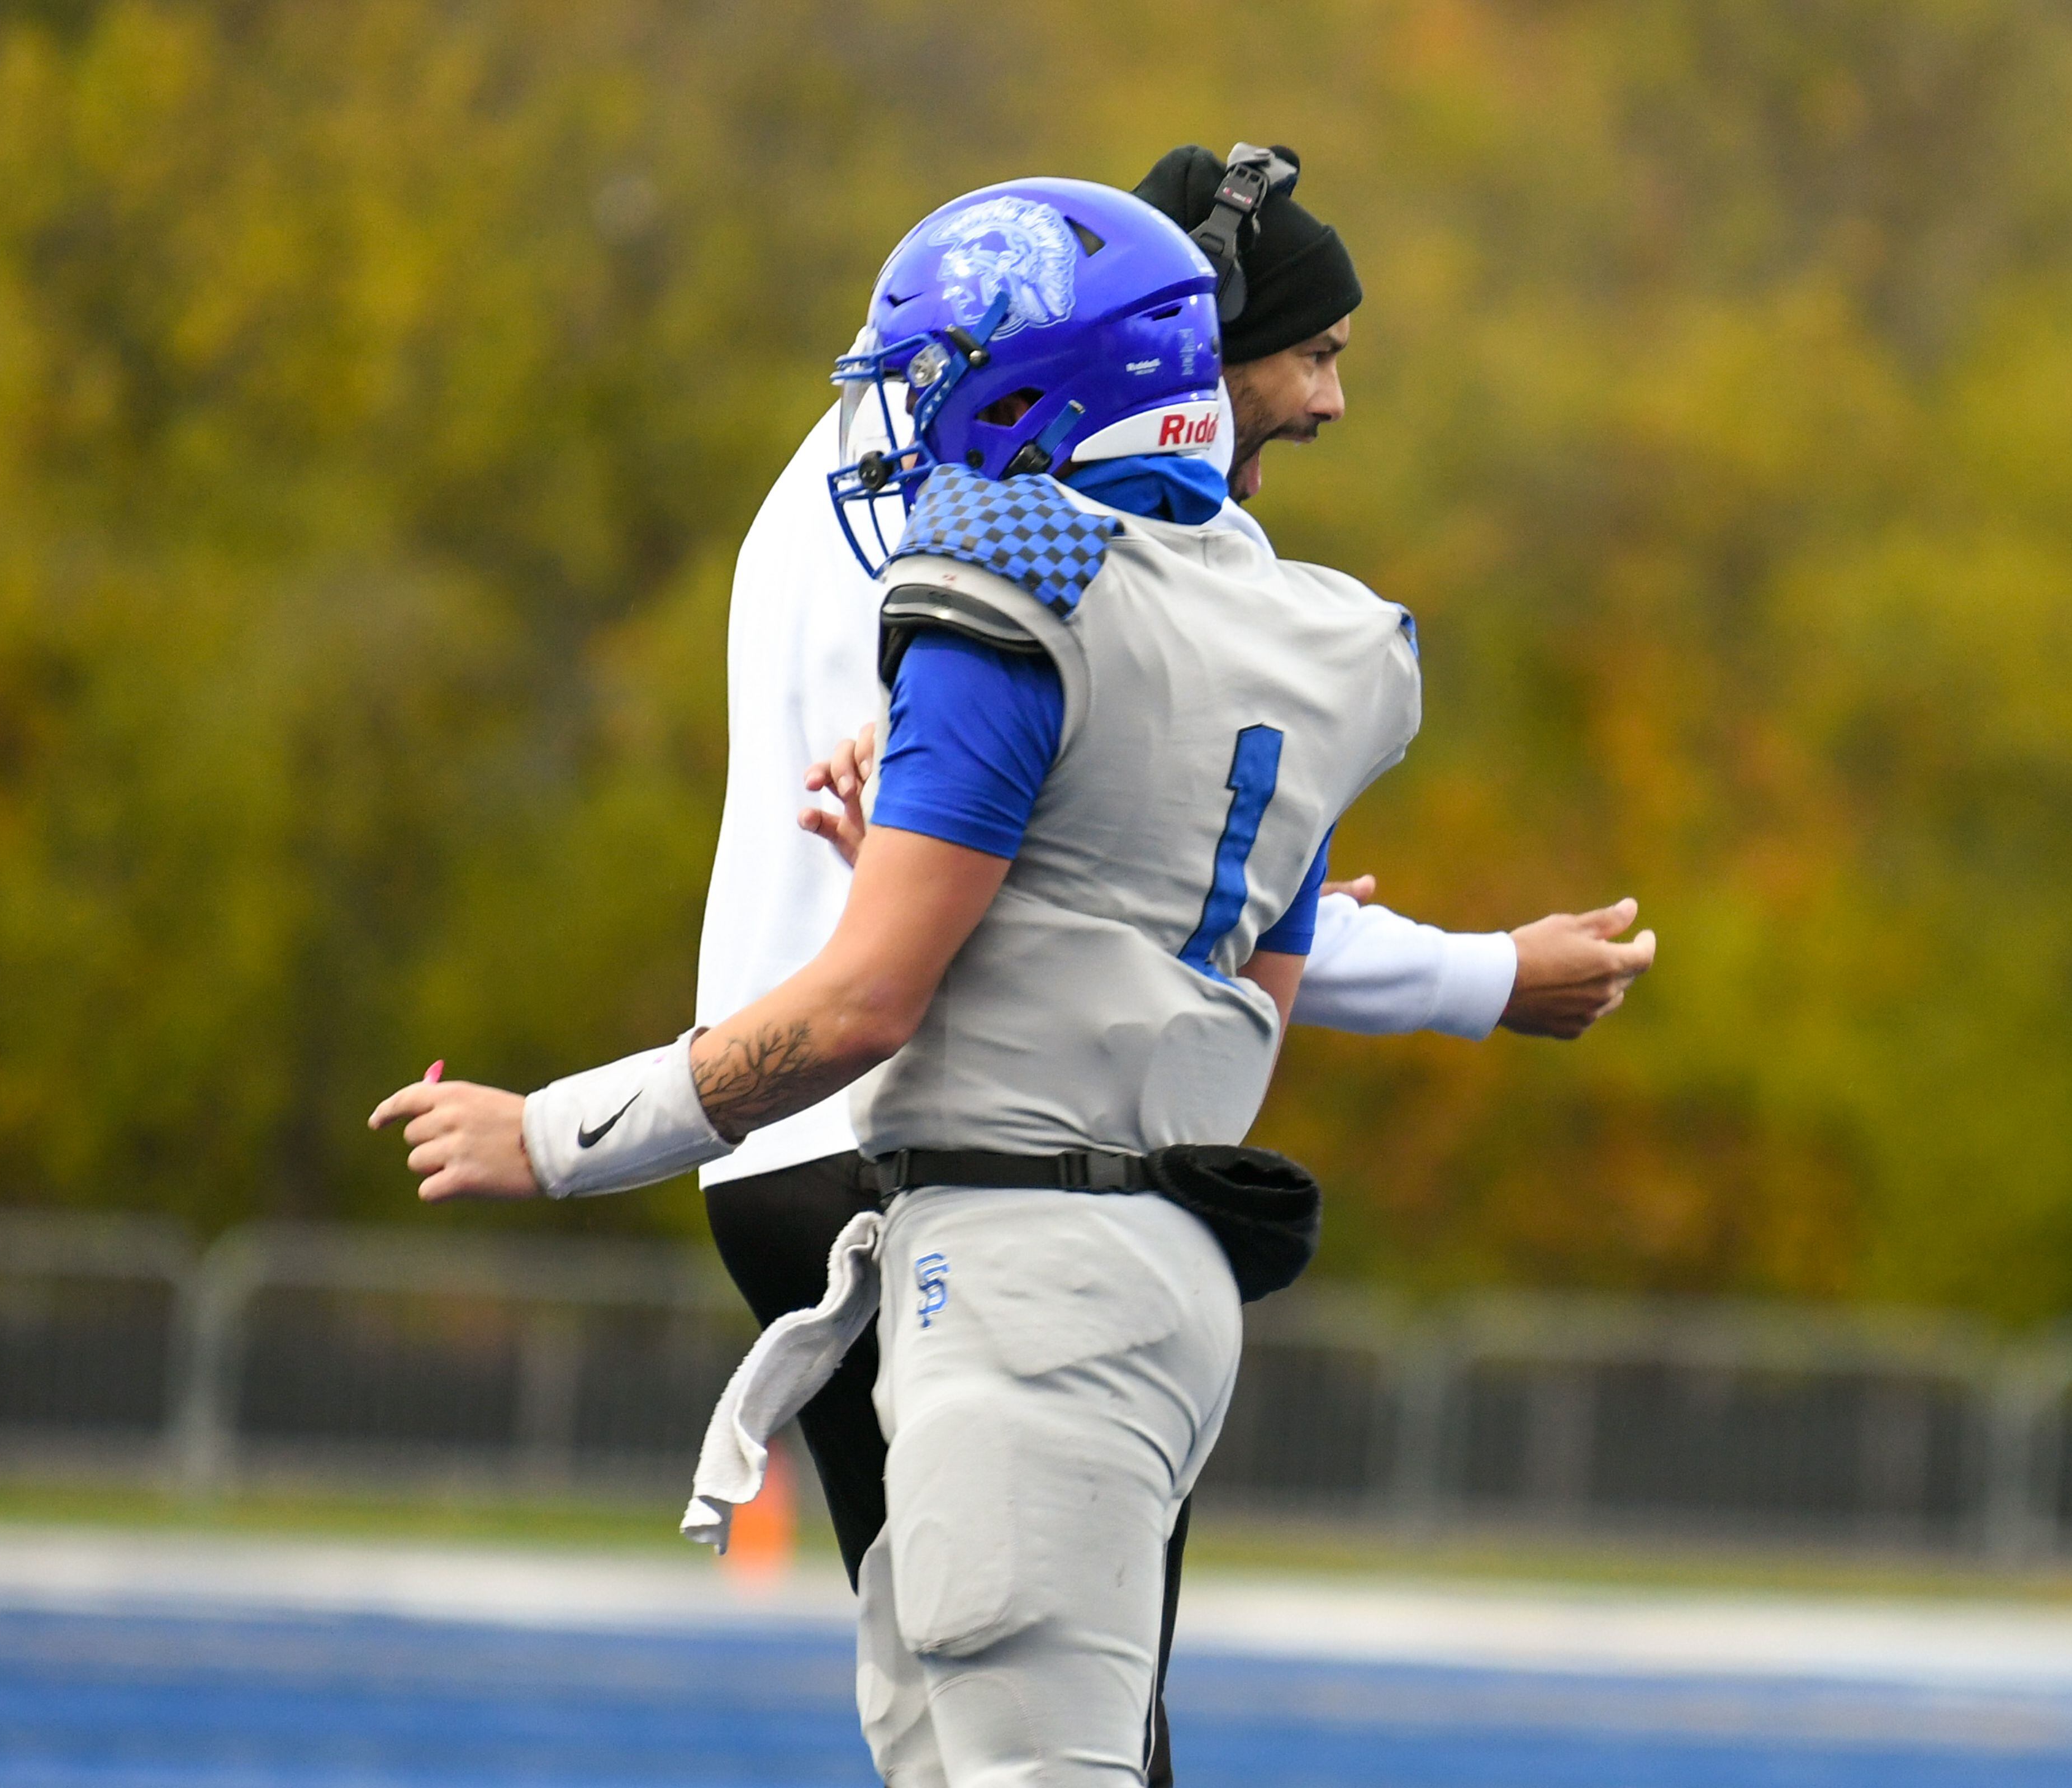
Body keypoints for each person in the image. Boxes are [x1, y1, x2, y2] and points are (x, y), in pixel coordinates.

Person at [372, 173, 1440, 1784]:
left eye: (935, 376)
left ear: (1039, 385)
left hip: (1020, 1280)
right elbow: (1252, 986)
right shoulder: (1313, 633)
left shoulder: (1012, 588)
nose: (907, 421)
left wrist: (560, 1138)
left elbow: (862, 1004)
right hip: (1149, 1253)